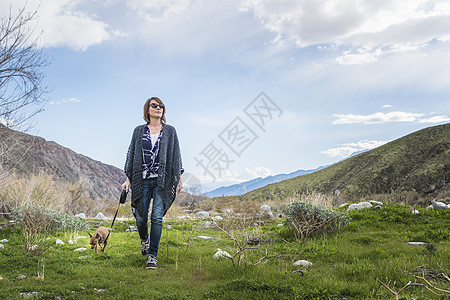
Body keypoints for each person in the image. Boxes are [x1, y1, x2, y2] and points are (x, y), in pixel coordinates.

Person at [122, 97, 183, 269]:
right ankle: (144, 240)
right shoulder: (138, 131)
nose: (158, 108)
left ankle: (152, 256)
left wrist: (178, 178)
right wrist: (128, 180)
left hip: (162, 180)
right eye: (154, 105)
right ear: (147, 110)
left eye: (161, 106)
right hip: (142, 180)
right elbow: (132, 155)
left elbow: (176, 156)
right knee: (141, 218)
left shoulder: (170, 131)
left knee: (156, 217)